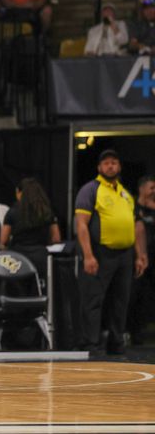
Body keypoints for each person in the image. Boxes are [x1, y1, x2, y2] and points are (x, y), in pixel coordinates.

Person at [75, 149, 147, 354]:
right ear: (99, 168)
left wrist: (140, 255)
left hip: (125, 254)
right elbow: (81, 224)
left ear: (119, 167)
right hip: (100, 252)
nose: (110, 166)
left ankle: (116, 342)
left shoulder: (125, 193)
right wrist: (87, 255)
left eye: (114, 163)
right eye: (106, 163)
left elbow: (134, 225)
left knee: (120, 301)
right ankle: (91, 343)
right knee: (94, 300)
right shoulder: (90, 189)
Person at [0, 177, 61, 274]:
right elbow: (56, 238)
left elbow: (3, 240)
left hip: (17, 259)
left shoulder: (12, 212)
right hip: (41, 257)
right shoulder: (46, 211)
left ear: (19, 193)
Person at [128, 174, 155, 344]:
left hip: (154, 258)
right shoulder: (133, 207)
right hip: (138, 257)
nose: (154, 191)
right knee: (136, 295)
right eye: (152, 188)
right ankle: (133, 331)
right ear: (142, 188)